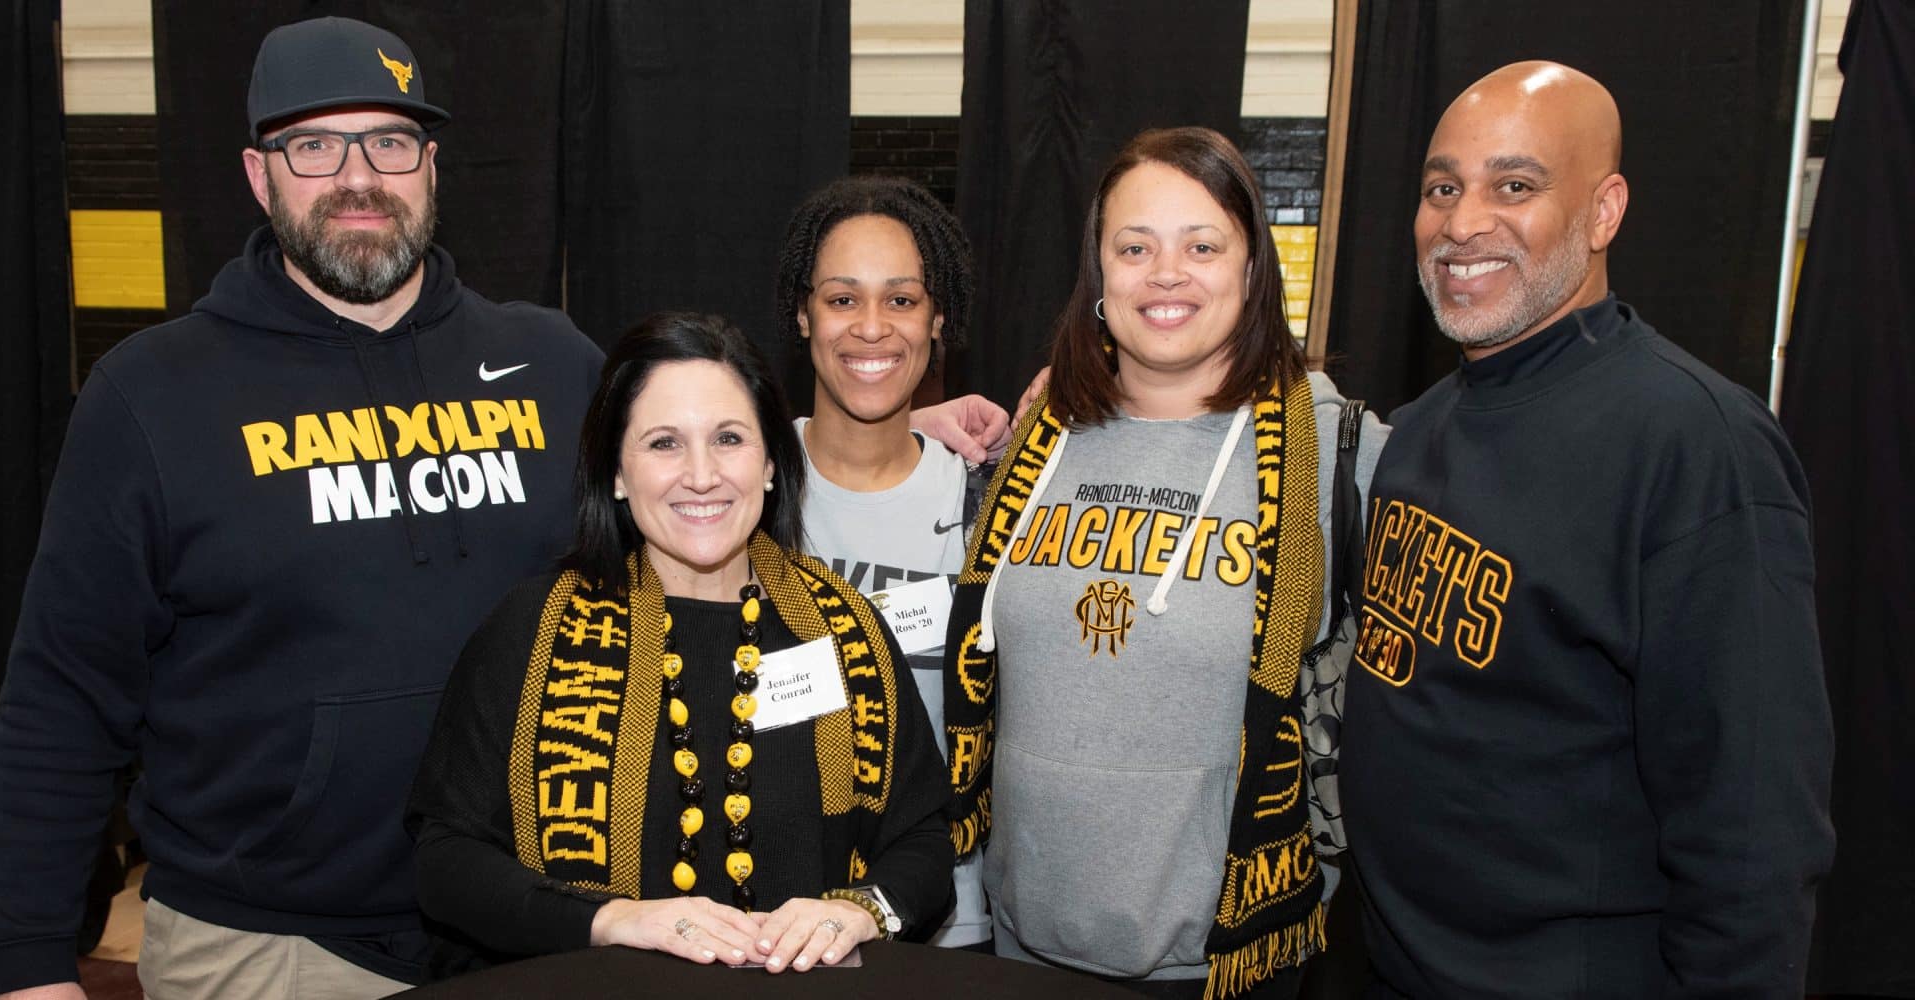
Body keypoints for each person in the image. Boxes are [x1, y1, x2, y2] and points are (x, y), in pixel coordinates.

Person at [0, 17, 1004, 1000]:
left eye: (389, 141)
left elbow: (693, 439)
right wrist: (31, 959)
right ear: (257, 172)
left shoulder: (550, 362)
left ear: (429, 164)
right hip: (275, 944)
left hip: (541, 940)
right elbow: (61, 699)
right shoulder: (153, 393)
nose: (358, 177)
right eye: (314, 148)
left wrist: (901, 422)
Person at [1340, 61, 1834, 998]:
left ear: (1603, 213)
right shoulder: (1418, 430)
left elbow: (1755, 825)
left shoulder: (1698, 447)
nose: (1462, 221)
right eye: (1442, 186)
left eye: (1513, 186)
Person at [942, 127, 1386, 999]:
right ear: (1099, 277)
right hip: (1024, 941)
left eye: (1202, 244)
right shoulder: (1035, 441)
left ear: (1253, 267)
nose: (1166, 272)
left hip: (1231, 958)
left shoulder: (1338, 450)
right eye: (1134, 247)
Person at [407, 312, 953, 977]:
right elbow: (445, 863)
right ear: (615, 472)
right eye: (664, 443)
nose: (701, 475)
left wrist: (859, 910)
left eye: (729, 438)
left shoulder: (847, 631)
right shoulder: (532, 632)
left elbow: (922, 842)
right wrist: (609, 920)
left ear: (773, 463)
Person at [774, 174, 993, 949]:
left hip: (950, 922)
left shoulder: (988, 501)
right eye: (842, 299)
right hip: (769, 919)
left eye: (901, 300)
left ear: (938, 318)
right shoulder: (738, 487)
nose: (872, 328)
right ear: (803, 314)